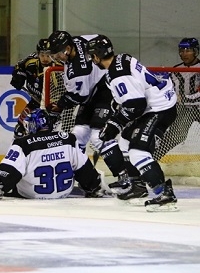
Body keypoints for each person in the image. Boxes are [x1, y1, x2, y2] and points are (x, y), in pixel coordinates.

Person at [47, 30, 147, 201]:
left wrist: (59, 105)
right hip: (93, 91)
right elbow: (99, 39)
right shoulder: (78, 40)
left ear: (68, 48)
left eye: (58, 54)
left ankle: (126, 178)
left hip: (105, 91)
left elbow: (79, 96)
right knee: (77, 135)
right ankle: (80, 177)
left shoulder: (78, 71)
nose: (56, 58)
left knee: (98, 136)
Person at [87, 35, 178, 212]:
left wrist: (114, 124)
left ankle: (164, 194)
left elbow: (136, 106)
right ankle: (138, 187)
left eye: (92, 56)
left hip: (160, 109)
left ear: (98, 55)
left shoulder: (117, 75)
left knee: (138, 152)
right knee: (125, 142)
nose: (92, 60)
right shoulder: (122, 58)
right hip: (157, 103)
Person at [0, 108, 108, 200]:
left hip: (31, 195)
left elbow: (9, 173)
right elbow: (86, 172)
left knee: (15, 180)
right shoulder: (68, 138)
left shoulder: (23, 144)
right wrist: (94, 187)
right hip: (62, 194)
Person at [154, 37, 200, 161]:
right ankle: (150, 161)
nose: (184, 53)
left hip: (198, 107)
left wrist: (183, 98)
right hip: (185, 109)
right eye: (182, 50)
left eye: (188, 50)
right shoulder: (175, 70)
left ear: (196, 51)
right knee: (175, 136)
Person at [10, 38, 62, 138]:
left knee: (45, 131)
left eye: (48, 55)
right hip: (35, 102)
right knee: (20, 127)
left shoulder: (59, 68)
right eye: (42, 55)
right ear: (38, 54)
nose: (45, 58)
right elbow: (18, 66)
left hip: (52, 107)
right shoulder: (30, 62)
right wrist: (18, 76)